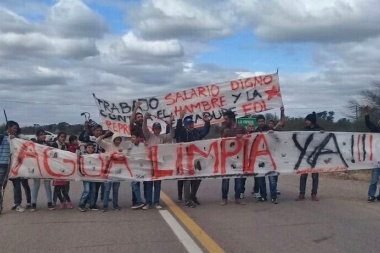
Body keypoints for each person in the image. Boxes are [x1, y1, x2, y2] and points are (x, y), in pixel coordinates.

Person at [176, 109, 210, 208]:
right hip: (185, 160)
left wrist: (207, 122)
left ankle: (193, 196)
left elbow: (205, 131)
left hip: (195, 160)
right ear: (186, 125)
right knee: (187, 179)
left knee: (198, 178)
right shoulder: (183, 132)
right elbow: (178, 129)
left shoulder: (196, 132)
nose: (191, 125)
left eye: (192, 123)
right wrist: (180, 118)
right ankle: (187, 200)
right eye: (189, 124)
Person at [142, 112, 174, 210]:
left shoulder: (163, 137)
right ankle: (148, 202)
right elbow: (144, 128)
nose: (157, 130)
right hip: (149, 164)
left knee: (157, 185)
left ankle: (156, 202)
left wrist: (171, 124)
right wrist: (145, 119)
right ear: (153, 129)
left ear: (160, 129)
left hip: (159, 164)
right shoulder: (149, 136)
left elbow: (172, 135)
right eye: (155, 128)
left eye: (158, 128)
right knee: (148, 184)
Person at [254, 107, 285, 204]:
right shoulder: (255, 132)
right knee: (260, 179)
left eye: (262, 121)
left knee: (272, 178)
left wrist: (282, 111)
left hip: (270, 158)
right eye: (259, 121)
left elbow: (278, 138)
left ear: (265, 121)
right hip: (259, 159)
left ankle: (274, 197)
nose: (261, 122)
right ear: (257, 122)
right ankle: (263, 196)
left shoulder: (270, 129)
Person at [295, 112, 323, 201]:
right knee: (303, 175)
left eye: (307, 120)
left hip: (315, 156)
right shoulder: (303, 130)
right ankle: (301, 194)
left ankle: (314, 194)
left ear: (311, 121)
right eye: (305, 120)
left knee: (315, 176)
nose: (306, 122)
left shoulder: (319, 130)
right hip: (305, 156)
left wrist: (322, 133)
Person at [220, 110, 247, 206]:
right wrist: (224, 135)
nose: (225, 120)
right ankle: (224, 198)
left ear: (231, 119)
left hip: (239, 158)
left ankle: (237, 198)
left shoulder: (241, 128)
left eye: (226, 119)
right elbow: (219, 143)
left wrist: (242, 136)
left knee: (238, 179)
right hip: (227, 158)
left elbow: (248, 139)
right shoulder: (224, 129)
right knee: (225, 179)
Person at [96, 132, 127, 212]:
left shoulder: (122, 147)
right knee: (107, 189)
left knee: (115, 189)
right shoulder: (108, 145)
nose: (118, 141)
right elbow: (98, 140)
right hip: (108, 171)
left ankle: (115, 205)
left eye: (119, 139)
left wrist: (121, 153)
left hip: (117, 172)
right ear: (113, 139)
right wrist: (106, 134)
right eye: (117, 139)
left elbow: (125, 156)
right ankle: (105, 205)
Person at [0, 120, 26, 212]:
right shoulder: (2, 137)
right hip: (3, 164)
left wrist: (15, 139)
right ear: (9, 127)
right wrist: (7, 137)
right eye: (14, 128)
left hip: (14, 165)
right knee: (1, 186)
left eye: (16, 128)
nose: (16, 130)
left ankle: (17, 204)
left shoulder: (17, 138)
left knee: (17, 186)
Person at [79, 124, 106, 210]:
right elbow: (81, 138)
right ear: (93, 131)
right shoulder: (89, 138)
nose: (98, 132)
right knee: (87, 189)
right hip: (88, 170)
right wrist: (85, 128)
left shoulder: (103, 140)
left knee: (95, 188)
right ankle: (83, 203)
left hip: (97, 169)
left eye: (100, 131)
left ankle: (92, 203)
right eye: (97, 130)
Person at [30, 129, 54, 211]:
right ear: (37, 136)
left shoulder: (48, 144)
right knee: (36, 185)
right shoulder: (34, 144)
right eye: (41, 134)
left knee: (47, 185)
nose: (43, 136)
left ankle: (50, 202)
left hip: (46, 166)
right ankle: (33, 203)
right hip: (37, 166)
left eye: (44, 134)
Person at [129, 101, 146, 210]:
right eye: (138, 117)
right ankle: (137, 201)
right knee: (135, 180)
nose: (140, 118)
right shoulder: (134, 127)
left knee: (142, 179)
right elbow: (130, 121)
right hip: (135, 158)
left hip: (144, 158)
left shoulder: (145, 128)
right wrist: (136, 108)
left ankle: (138, 200)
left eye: (141, 117)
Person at [364, 105, 380, 202]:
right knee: (374, 180)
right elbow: (368, 124)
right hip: (376, 160)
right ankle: (371, 195)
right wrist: (367, 114)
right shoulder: (376, 130)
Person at [51, 132, 69, 206]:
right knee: (57, 186)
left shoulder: (65, 145)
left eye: (64, 137)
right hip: (56, 166)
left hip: (63, 166)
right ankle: (54, 200)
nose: (63, 138)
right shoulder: (54, 144)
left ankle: (64, 200)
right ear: (58, 137)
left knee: (65, 185)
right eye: (61, 137)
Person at [78, 143, 97, 212]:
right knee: (87, 190)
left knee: (93, 190)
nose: (90, 149)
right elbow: (77, 154)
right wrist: (79, 146)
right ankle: (81, 204)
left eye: (92, 147)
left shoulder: (95, 156)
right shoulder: (83, 155)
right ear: (86, 148)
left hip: (93, 175)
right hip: (85, 175)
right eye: (89, 147)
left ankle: (92, 205)